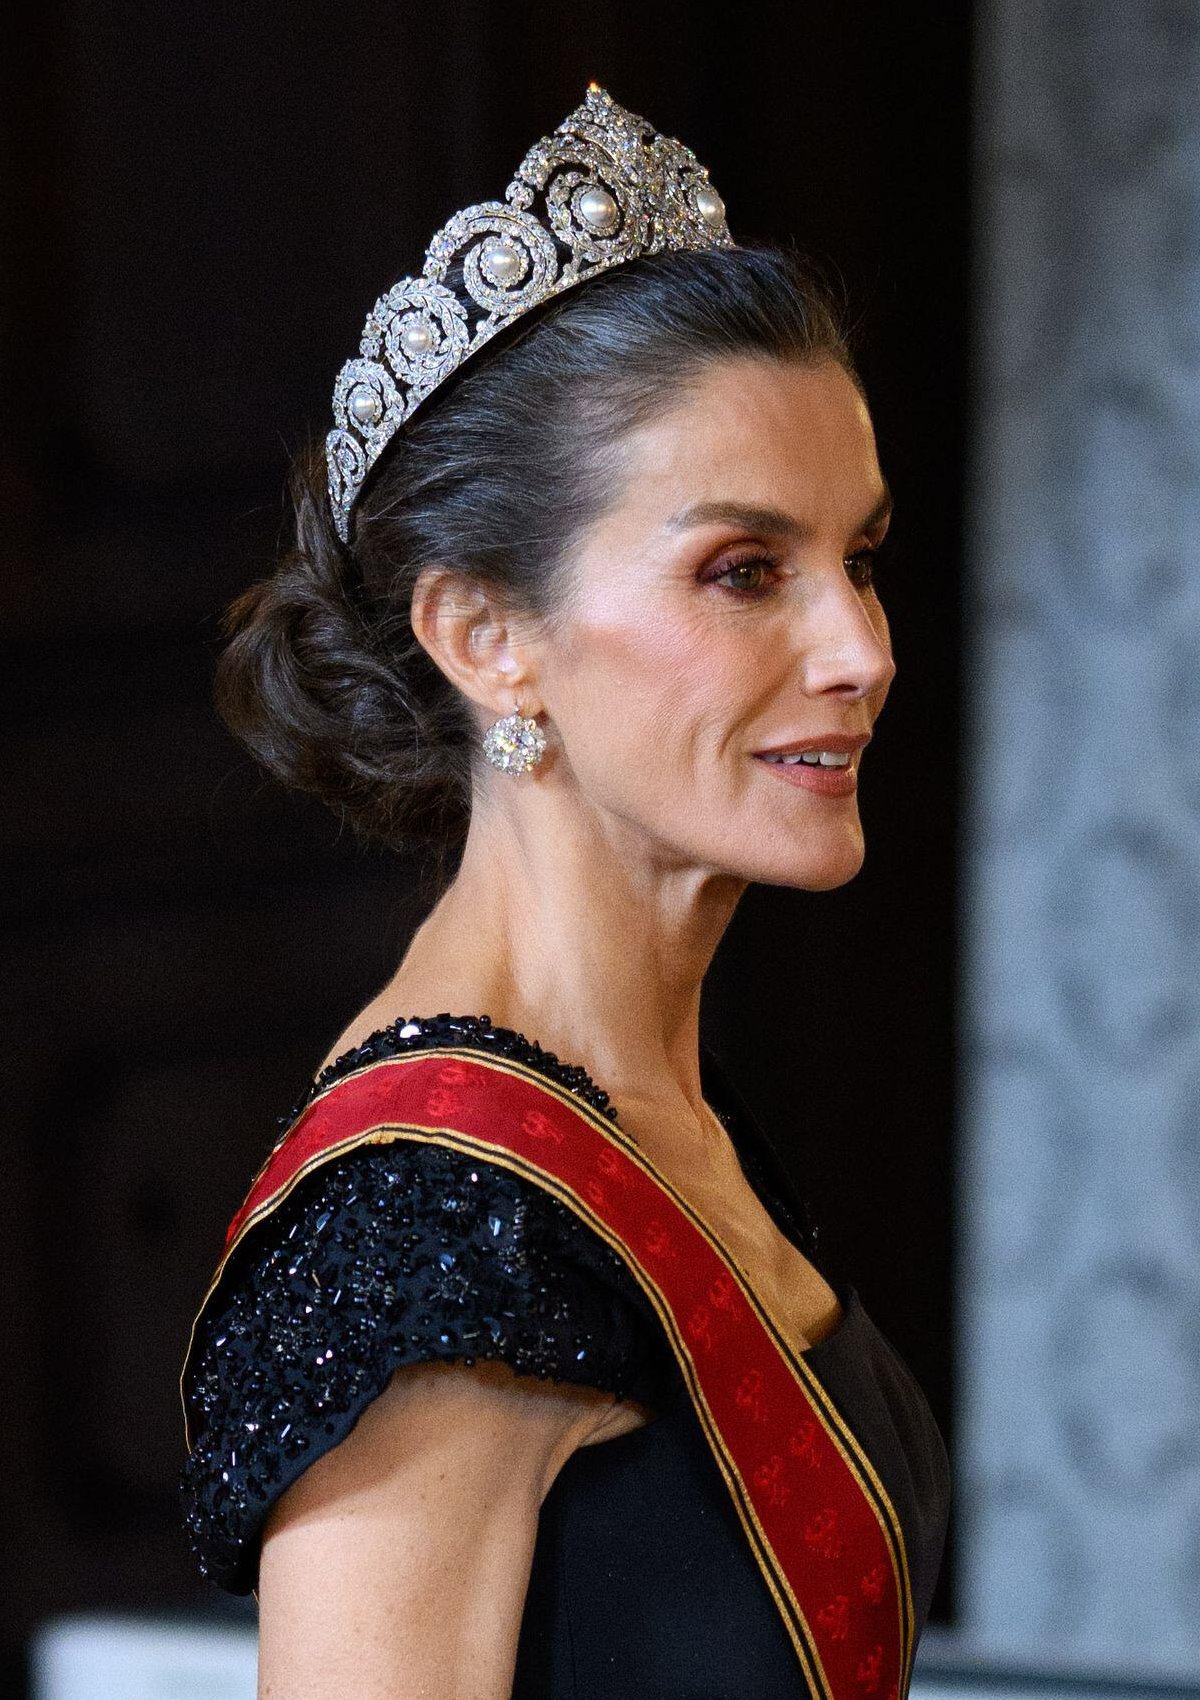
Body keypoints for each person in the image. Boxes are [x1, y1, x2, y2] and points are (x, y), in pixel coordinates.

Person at [179, 85, 951, 1699]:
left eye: (860, 558)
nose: (859, 652)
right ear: (485, 637)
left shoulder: (652, 1101)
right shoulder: (422, 1232)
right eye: (746, 572)